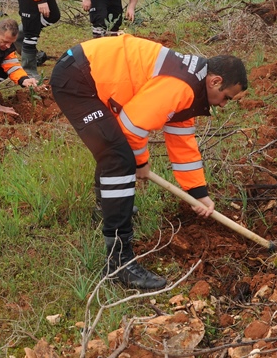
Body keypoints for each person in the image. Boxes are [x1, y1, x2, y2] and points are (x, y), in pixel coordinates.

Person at [50, 34, 247, 290]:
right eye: (226, 98)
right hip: (78, 78)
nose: (222, 105)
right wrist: (140, 162)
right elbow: (132, 127)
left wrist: (198, 193)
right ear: (215, 81)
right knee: (119, 156)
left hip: (89, 73)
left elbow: (183, 144)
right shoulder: (182, 85)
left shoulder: (192, 85)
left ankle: (106, 206)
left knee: (114, 147)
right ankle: (119, 262)